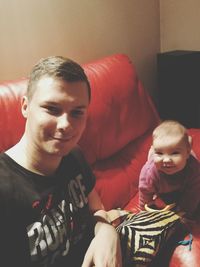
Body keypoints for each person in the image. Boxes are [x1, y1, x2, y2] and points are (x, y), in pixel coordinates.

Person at [0, 56, 122, 267]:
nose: (66, 124)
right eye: (52, 109)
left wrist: (105, 230)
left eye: (77, 113)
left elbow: (97, 208)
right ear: (25, 106)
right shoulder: (5, 189)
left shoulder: (74, 155)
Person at [139, 120, 200, 221]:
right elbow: (145, 194)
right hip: (158, 178)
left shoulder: (194, 169)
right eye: (159, 152)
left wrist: (185, 211)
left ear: (187, 153)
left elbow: (193, 194)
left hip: (187, 167)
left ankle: (186, 145)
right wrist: (143, 211)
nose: (166, 160)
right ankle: (155, 152)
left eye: (175, 153)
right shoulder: (149, 173)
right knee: (152, 160)